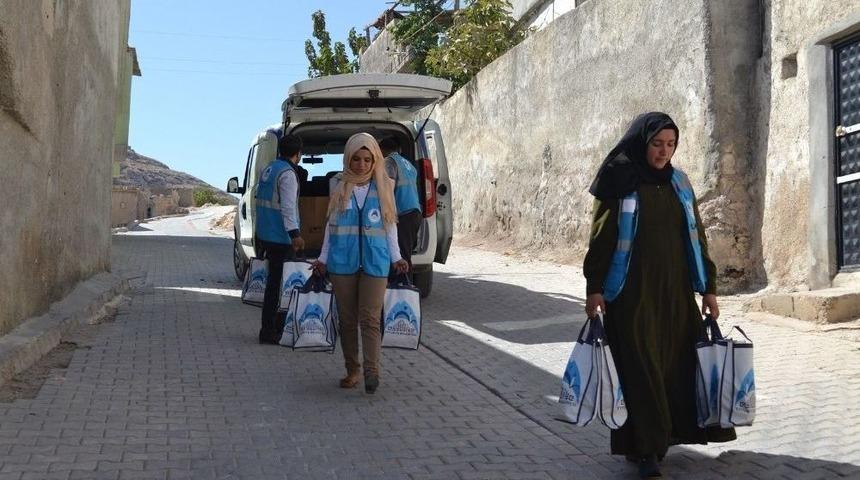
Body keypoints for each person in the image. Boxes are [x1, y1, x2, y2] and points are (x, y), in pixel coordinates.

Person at [582, 112, 736, 478]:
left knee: (673, 368)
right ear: (642, 141)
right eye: (657, 144)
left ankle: (658, 439)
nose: (664, 152)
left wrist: (709, 288)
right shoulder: (619, 180)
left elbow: (697, 236)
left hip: (675, 293)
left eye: (671, 144)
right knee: (640, 369)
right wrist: (594, 289)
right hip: (631, 295)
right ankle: (646, 450)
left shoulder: (679, 182)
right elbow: (601, 238)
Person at [311, 133, 408, 394]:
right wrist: (322, 259)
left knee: (370, 319)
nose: (362, 164)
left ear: (375, 159)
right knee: (347, 320)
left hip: (376, 262)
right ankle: (352, 369)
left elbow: (390, 226)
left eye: (367, 159)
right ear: (348, 159)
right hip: (342, 263)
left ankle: (371, 371)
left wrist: (397, 257)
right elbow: (331, 228)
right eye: (356, 159)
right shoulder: (339, 185)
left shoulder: (385, 185)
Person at [255, 134, 305, 345]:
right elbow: (287, 207)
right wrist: (295, 235)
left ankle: (269, 328)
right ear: (298, 154)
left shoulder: (269, 169)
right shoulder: (288, 174)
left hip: (265, 235)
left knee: (272, 286)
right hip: (281, 238)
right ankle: (272, 330)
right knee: (281, 287)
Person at [379, 137, 422, 278]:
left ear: (382, 150)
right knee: (405, 251)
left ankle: (403, 289)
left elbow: (388, 189)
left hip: (403, 213)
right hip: (415, 212)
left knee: (400, 255)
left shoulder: (389, 162)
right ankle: (402, 284)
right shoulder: (408, 164)